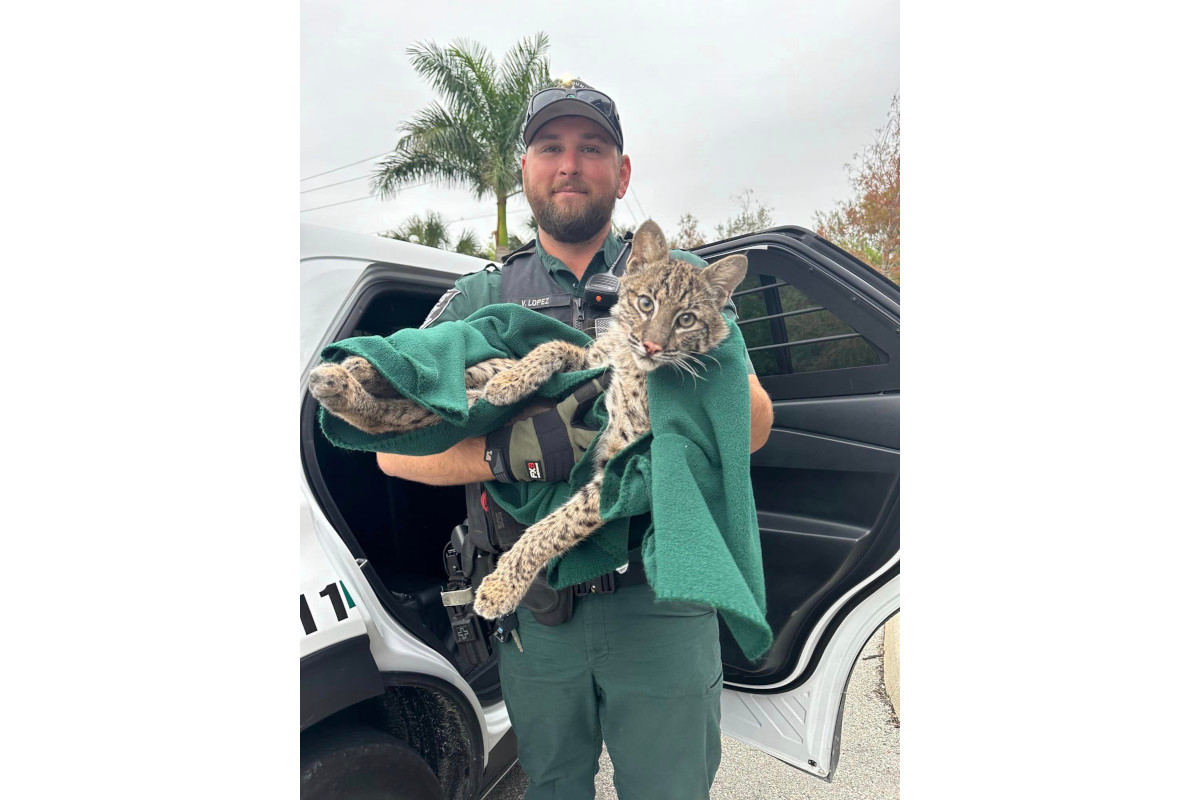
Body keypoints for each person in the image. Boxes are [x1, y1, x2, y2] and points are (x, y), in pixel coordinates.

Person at [377, 78, 774, 800]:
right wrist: (507, 453)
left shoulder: (679, 283)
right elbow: (391, 447)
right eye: (550, 147)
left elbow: (753, 428)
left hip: (661, 599)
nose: (570, 164)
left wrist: (685, 358)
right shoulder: (480, 298)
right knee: (553, 788)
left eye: (591, 148)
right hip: (539, 611)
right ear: (524, 170)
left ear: (621, 173)